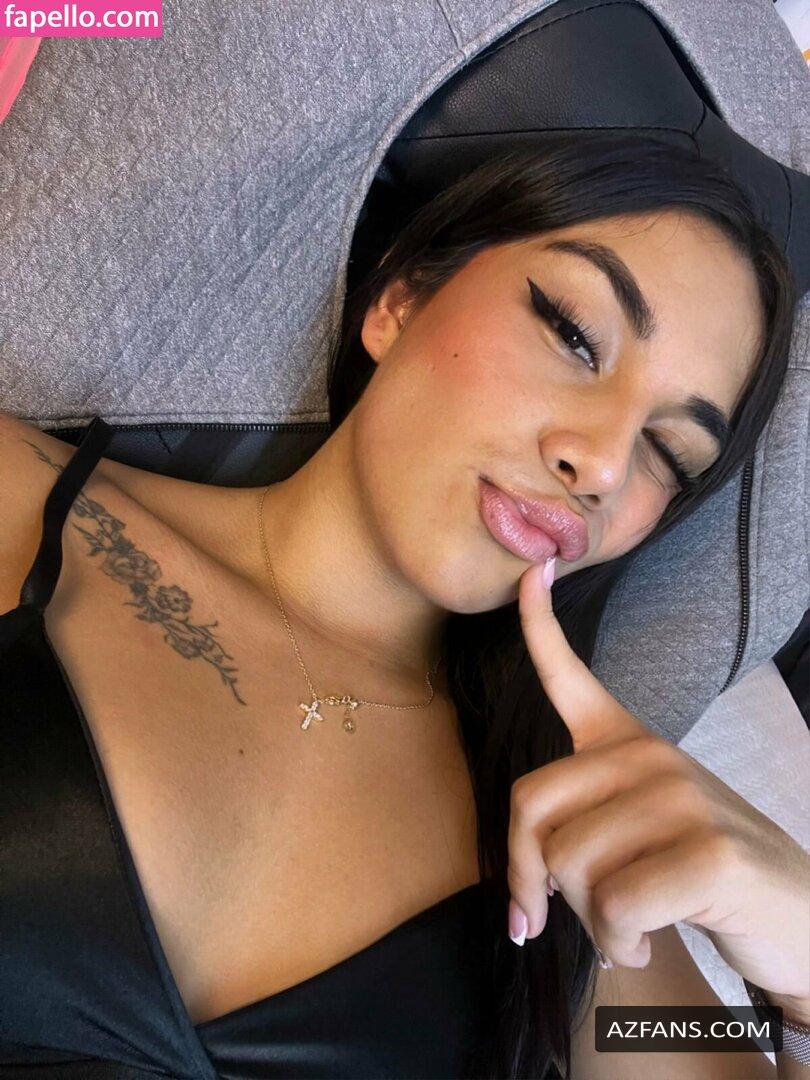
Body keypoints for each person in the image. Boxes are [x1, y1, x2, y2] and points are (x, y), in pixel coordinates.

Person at [0, 134, 806, 1079]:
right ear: (400, 301)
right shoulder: (18, 497)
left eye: (669, 454)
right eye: (575, 336)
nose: (602, 465)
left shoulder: (570, 858)